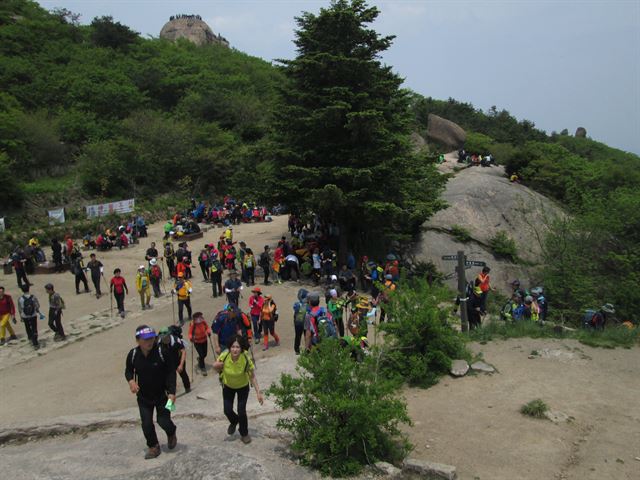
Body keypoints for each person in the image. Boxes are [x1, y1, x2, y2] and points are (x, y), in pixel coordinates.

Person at [125, 325, 177, 459]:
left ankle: (171, 432)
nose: (149, 342)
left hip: (163, 396)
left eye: (152, 338)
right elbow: (128, 370)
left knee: (163, 420)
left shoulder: (162, 352)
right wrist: (131, 382)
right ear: (138, 340)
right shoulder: (133, 354)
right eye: (145, 339)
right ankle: (153, 446)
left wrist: (172, 392)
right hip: (143, 397)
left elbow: (171, 371)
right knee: (146, 423)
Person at [213, 334, 264, 444]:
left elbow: (252, 376)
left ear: (241, 349)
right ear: (229, 348)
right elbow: (216, 367)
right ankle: (234, 420)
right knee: (227, 410)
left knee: (241, 411)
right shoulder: (224, 355)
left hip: (242, 387)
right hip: (228, 386)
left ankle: (244, 433)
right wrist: (215, 366)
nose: (235, 349)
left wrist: (258, 393)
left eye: (237, 347)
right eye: (233, 347)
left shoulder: (245, 358)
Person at [159, 326, 190, 393]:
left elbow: (183, 351)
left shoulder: (176, 340)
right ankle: (170, 393)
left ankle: (188, 389)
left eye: (165, 338)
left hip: (178, 360)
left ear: (169, 335)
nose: (164, 340)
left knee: (183, 374)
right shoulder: (159, 343)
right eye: (162, 338)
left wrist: (181, 365)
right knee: (170, 378)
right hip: (168, 363)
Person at [18, 284, 43, 349]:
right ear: (29, 289)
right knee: (34, 328)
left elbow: (20, 309)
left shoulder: (20, 299)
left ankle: (30, 339)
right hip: (33, 315)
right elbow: (37, 305)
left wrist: (21, 317)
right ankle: (36, 343)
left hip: (25, 316)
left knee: (28, 328)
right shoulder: (33, 297)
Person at [292, 289, 309, 355]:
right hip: (303, 323)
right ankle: (306, 349)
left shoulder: (297, 304)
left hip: (298, 323)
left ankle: (297, 350)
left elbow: (295, 309)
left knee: (298, 336)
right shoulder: (307, 305)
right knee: (306, 336)